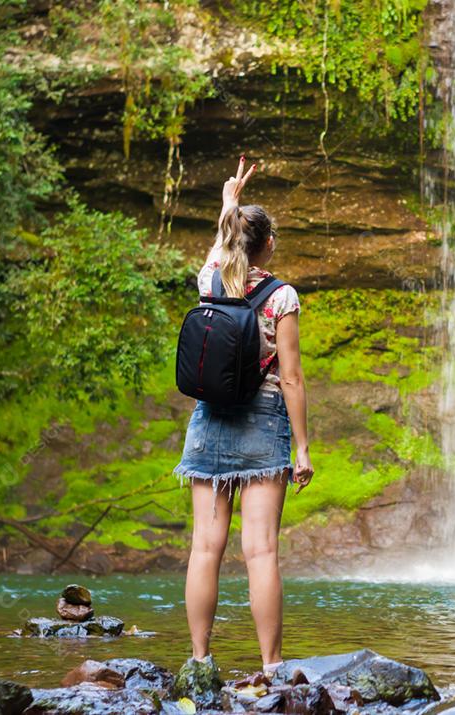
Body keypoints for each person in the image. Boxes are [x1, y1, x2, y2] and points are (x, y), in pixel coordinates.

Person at [173, 156, 314, 687]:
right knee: (260, 551)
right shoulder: (282, 297)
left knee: (204, 547)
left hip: (209, 420)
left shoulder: (210, 279)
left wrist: (228, 204)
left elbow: (221, 248)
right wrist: (302, 447)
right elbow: (294, 379)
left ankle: (200, 662)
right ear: (269, 244)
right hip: (263, 423)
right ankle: (272, 668)